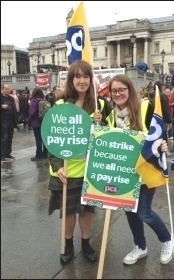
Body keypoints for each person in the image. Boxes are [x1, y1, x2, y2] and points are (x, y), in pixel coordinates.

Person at [105, 74, 173, 265]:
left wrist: (164, 144)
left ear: (129, 90)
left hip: (144, 169)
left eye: (122, 90)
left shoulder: (144, 106)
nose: (118, 94)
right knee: (130, 211)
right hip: (124, 173)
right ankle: (140, 246)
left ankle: (166, 239)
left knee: (144, 212)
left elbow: (159, 130)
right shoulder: (110, 117)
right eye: (114, 91)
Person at [48, 60, 108, 266]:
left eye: (86, 76)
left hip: (89, 170)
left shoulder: (100, 104)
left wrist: (102, 124)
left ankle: (85, 242)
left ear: (91, 80)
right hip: (65, 170)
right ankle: (68, 244)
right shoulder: (60, 105)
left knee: (86, 210)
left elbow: (107, 137)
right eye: (77, 76)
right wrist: (58, 166)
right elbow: (51, 139)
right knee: (68, 211)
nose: (82, 81)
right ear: (71, 80)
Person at [28, 87, 48, 161]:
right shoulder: (43, 100)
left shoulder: (34, 101)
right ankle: (45, 154)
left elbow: (32, 113)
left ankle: (38, 155)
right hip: (43, 122)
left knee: (38, 139)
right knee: (43, 139)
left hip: (36, 122)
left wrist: (30, 120)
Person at [1, 84, 18, 163]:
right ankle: (2, 155)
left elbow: (14, 109)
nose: (8, 90)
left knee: (10, 138)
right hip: (3, 121)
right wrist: (1, 106)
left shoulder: (11, 98)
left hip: (11, 120)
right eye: (6, 89)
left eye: (8, 88)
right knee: (4, 138)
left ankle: (8, 153)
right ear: (2, 89)